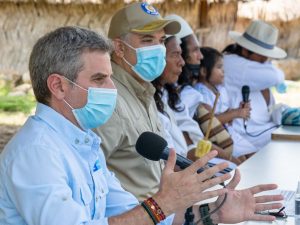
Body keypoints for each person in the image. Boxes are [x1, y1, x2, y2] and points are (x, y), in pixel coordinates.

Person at [0, 25, 283, 225]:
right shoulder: (36, 153)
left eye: (110, 77)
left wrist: (215, 212)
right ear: (58, 86)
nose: (112, 88)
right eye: (99, 79)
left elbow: (133, 216)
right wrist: (163, 202)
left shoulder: (83, 143)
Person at [223, 19, 287, 151]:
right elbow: (277, 76)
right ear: (246, 51)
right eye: (262, 58)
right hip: (249, 136)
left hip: (264, 130)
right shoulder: (234, 64)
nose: (264, 63)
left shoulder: (249, 65)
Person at [194, 46, 255, 159]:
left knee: (253, 156)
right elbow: (210, 121)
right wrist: (236, 113)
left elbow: (224, 115)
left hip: (229, 135)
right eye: (219, 67)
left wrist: (235, 111)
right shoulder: (200, 92)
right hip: (218, 141)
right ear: (203, 71)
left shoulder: (219, 89)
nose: (223, 71)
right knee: (246, 160)